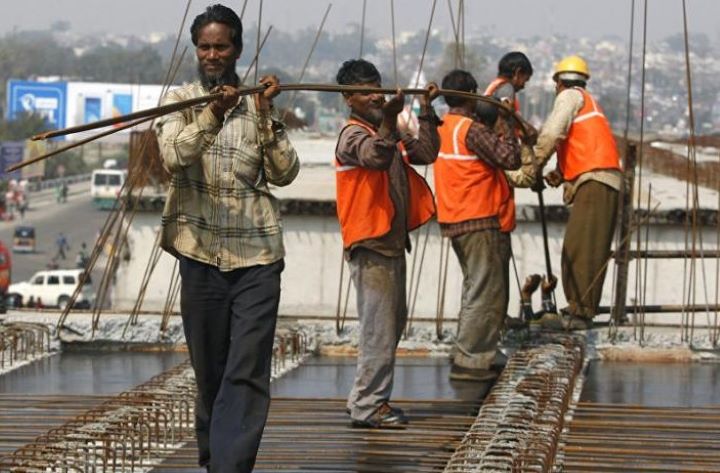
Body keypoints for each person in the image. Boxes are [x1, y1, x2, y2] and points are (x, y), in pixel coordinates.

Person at [155, 4, 299, 472]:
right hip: (199, 256)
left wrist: (266, 115)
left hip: (256, 257)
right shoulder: (179, 102)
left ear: (237, 49)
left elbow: (285, 173)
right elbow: (175, 156)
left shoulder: (258, 103)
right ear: (196, 50)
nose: (213, 54)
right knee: (211, 372)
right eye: (205, 46)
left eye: (221, 46)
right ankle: (216, 455)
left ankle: (230, 466)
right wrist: (213, 114)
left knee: (247, 371)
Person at [334, 59, 440, 428]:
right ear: (348, 98)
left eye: (376, 86)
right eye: (365, 91)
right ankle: (368, 405)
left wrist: (427, 111)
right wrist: (388, 122)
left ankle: (366, 399)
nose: (375, 95)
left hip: (391, 241)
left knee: (391, 325)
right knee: (378, 329)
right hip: (371, 241)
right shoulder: (351, 135)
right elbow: (375, 157)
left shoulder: (386, 128)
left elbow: (425, 154)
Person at [434, 69, 521, 382]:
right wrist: (508, 123)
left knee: (476, 287)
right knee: (483, 291)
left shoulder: (443, 126)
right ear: (471, 95)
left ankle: (475, 351)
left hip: (455, 217)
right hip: (478, 217)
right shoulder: (469, 129)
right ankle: (470, 361)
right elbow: (510, 158)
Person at [533, 55, 622, 330]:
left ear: (558, 82)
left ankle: (580, 311)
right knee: (580, 246)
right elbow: (575, 145)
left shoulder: (570, 96)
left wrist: (534, 162)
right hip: (596, 178)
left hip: (596, 179)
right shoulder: (585, 103)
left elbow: (552, 133)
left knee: (583, 249)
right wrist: (560, 173)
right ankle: (578, 308)